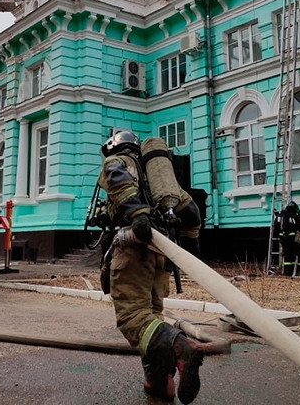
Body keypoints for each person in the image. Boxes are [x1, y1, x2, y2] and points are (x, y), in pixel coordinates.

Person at [97, 131, 206, 404]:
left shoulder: (118, 161)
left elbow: (116, 179)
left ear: (115, 146)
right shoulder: (160, 181)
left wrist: (137, 214)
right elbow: (191, 212)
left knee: (133, 318)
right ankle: (160, 383)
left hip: (133, 248)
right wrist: (190, 248)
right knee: (152, 318)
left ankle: (180, 347)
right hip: (162, 257)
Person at [280, 202, 300, 276]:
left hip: (283, 238)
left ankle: (287, 272)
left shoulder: (282, 215)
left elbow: (277, 225)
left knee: (288, 256)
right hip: (293, 239)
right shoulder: (296, 215)